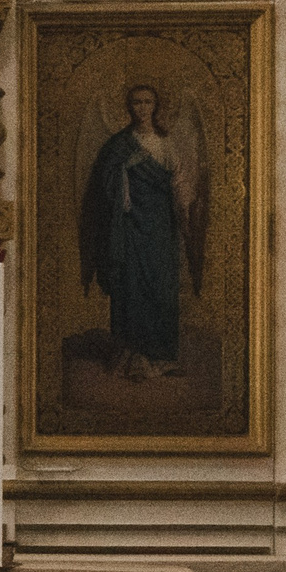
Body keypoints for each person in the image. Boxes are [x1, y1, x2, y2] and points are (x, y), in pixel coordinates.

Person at [78, 82, 203, 381]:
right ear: (129, 107)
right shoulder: (119, 145)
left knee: (161, 286)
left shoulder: (166, 143)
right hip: (129, 226)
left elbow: (180, 183)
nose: (142, 108)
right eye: (136, 103)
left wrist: (185, 210)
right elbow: (102, 186)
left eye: (148, 102)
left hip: (161, 227)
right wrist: (122, 170)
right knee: (131, 286)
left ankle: (161, 357)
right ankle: (131, 355)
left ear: (156, 106)